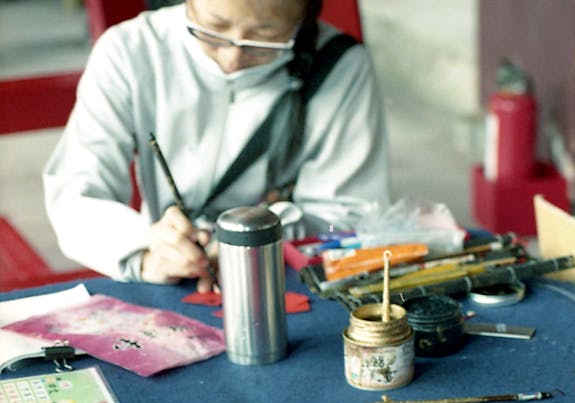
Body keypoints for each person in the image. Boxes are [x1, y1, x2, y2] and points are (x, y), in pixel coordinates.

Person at [44, 0, 390, 292]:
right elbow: (75, 194)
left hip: (284, 277)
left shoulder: (340, 67)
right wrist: (144, 248)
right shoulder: (130, 51)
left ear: (303, 18)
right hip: (168, 267)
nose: (231, 58)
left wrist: (259, 236)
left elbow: (348, 216)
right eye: (212, 28)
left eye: (265, 38)